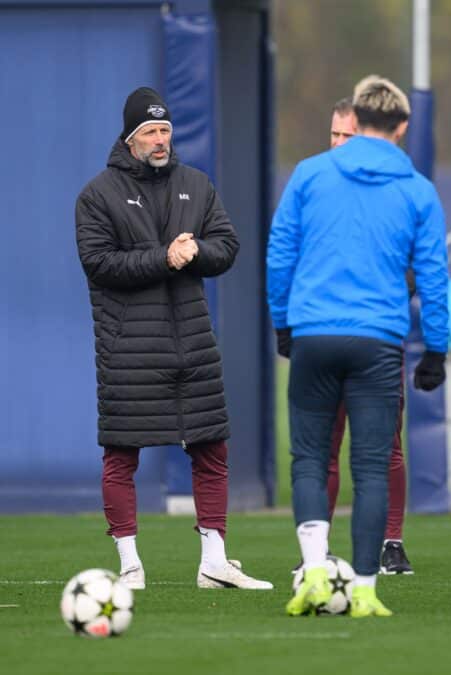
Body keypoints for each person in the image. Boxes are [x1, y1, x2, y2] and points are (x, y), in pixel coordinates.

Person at [75, 86, 271, 591]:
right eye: (150, 132)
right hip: (128, 349)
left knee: (212, 449)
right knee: (121, 455)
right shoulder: (98, 194)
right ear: (130, 137)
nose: (160, 140)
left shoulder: (197, 184)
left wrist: (196, 251)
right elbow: (99, 264)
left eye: (165, 130)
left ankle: (215, 561)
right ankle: (130, 565)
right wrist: (163, 257)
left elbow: (226, 245)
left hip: (193, 344)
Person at [269, 75, 448, 618]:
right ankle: (366, 588)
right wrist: (435, 348)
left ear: (357, 120)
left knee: (308, 459)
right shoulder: (417, 189)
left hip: (315, 332)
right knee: (371, 466)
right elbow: (434, 276)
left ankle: (316, 574)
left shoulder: (308, 174)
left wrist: (283, 324)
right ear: (401, 126)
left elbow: (280, 256)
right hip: (378, 339)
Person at [279, 97, 415, 575]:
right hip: (324, 330)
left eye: (348, 136)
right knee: (324, 447)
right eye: (333, 135)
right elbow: (286, 252)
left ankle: (390, 543)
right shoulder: (315, 180)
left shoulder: (395, 184)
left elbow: (417, 263)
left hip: (374, 332)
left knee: (382, 449)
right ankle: (320, 552)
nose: (338, 144)